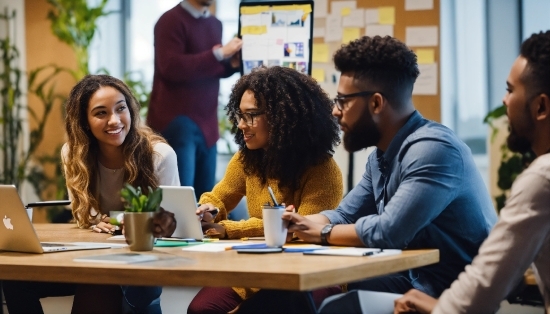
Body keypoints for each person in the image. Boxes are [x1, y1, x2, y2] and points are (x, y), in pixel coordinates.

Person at [236, 36, 498, 314]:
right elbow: (346, 214)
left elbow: (389, 232)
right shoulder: (380, 157)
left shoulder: (433, 150)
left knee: (330, 308)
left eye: (343, 101)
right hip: (413, 280)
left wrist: (322, 232)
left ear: (376, 103)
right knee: (290, 298)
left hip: (453, 296)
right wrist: (299, 223)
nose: (335, 111)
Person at [393, 30, 550, 314]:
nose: (504, 101)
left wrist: (432, 305)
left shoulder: (542, 178)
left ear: (541, 107)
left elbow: (479, 295)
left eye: (510, 90)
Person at [3, 74, 179, 314]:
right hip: (91, 253)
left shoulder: (159, 155)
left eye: (121, 109)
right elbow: (84, 212)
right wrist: (99, 220)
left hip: (139, 258)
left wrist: (116, 221)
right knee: (14, 278)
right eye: (101, 113)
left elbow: (172, 221)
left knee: (102, 285)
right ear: (84, 121)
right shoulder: (73, 154)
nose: (114, 120)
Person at [186, 66, 344, 313]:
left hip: (306, 272)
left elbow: (298, 230)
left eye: (250, 116)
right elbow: (219, 195)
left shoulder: (323, 170)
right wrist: (209, 209)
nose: (240, 125)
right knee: (201, 309)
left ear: (282, 117)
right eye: (239, 115)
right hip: (259, 267)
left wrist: (228, 229)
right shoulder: (247, 159)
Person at [147, 0, 242, 198]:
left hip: (208, 124)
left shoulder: (215, 24)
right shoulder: (169, 21)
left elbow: (208, 69)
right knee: (180, 200)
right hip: (177, 123)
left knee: (205, 200)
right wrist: (218, 54)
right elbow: (170, 67)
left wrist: (230, 65)